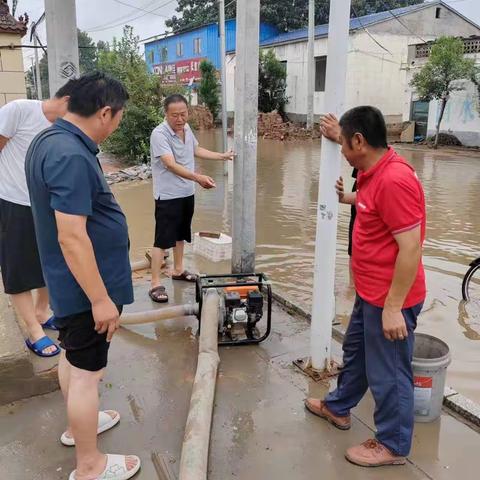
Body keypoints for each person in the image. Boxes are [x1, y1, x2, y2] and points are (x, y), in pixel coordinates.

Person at [25, 72, 140, 480]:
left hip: (66, 282)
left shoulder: (49, 139)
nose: (116, 126)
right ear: (105, 112)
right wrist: (100, 299)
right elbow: (72, 235)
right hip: (84, 288)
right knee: (88, 374)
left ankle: (80, 428)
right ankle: (90, 465)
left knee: (74, 361)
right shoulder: (70, 154)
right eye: (119, 118)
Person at [306, 106, 426, 468]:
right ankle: (339, 407)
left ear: (359, 141)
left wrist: (392, 308)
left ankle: (392, 445)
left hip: (391, 299)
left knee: (389, 373)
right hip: (371, 292)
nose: (341, 150)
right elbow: (374, 204)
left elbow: (411, 247)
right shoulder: (375, 170)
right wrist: (349, 199)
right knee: (356, 354)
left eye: (342, 143)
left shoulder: (395, 180)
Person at [0, 83, 76, 357]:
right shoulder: (19, 111)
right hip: (12, 202)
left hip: (46, 205)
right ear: (67, 100)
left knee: (49, 263)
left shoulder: (63, 129)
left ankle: (42, 312)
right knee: (18, 270)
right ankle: (34, 331)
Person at [148, 94, 234, 303]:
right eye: (174, 115)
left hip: (187, 193)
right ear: (166, 114)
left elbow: (195, 149)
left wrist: (221, 156)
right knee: (162, 239)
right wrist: (198, 178)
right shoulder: (159, 134)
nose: (180, 119)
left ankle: (178, 270)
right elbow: (170, 164)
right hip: (168, 195)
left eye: (183, 114)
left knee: (181, 234)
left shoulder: (186, 129)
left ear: (188, 112)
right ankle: (155, 283)